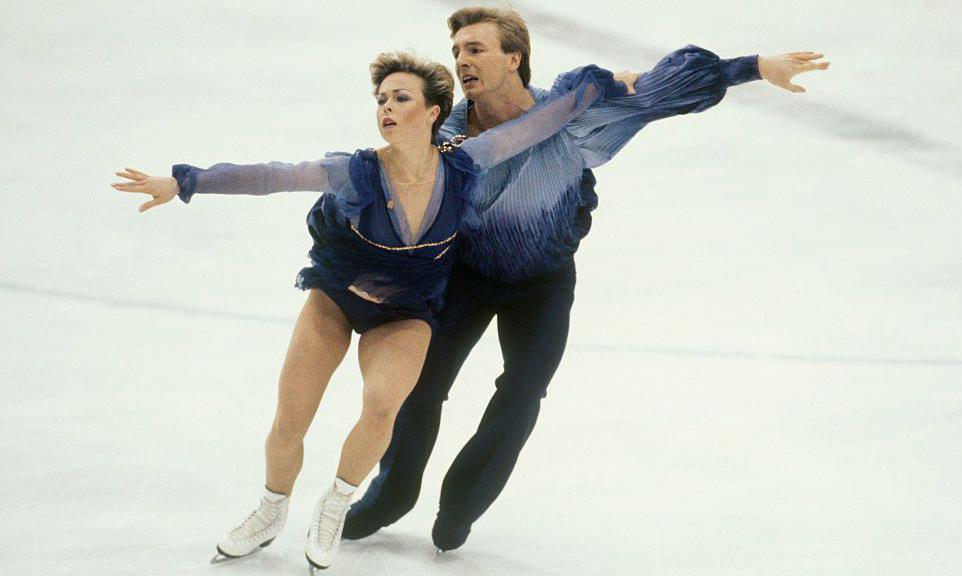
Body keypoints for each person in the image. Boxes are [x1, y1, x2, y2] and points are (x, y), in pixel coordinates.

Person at [111, 50, 625, 570]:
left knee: (383, 406)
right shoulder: (355, 172)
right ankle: (271, 508)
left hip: (406, 312)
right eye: (381, 99)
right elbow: (272, 176)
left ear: (432, 113)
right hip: (338, 299)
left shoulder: (468, 164)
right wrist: (185, 182)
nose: (387, 108)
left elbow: (540, 123)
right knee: (292, 418)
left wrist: (594, 87)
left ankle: (334, 505)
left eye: (402, 98)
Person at [343, 7, 830, 551]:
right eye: (457, 52)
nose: (461, 62)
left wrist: (755, 66)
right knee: (422, 384)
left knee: (524, 390)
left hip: (543, 283)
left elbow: (654, 92)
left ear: (513, 58)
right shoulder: (446, 136)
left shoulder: (569, 116)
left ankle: (462, 502)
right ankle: (393, 493)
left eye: (475, 49)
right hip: (468, 276)